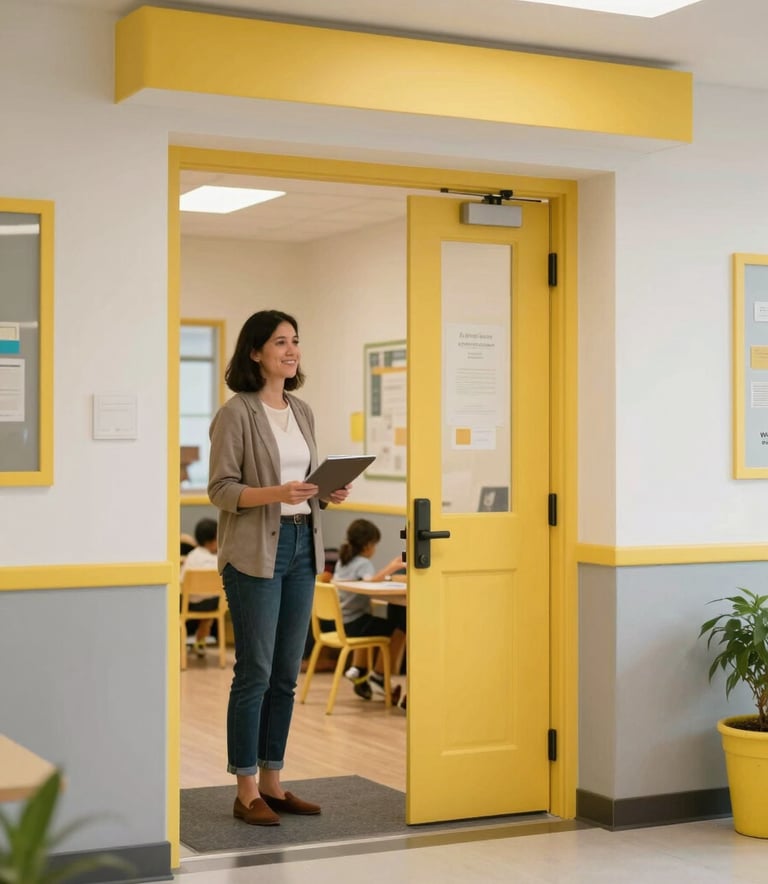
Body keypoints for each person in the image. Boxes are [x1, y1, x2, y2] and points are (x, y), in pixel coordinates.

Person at [208, 309, 350, 827]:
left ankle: (273, 780)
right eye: (280, 343)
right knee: (256, 672)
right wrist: (278, 493)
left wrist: (325, 492)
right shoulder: (237, 413)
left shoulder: (302, 410)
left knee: (287, 675)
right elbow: (220, 489)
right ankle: (245, 787)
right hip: (253, 553)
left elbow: (305, 486)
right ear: (255, 352)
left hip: (303, 545)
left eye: (295, 342)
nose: (291, 351)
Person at [333, 519, 406, 700]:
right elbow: (369, 582)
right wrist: (391, 568)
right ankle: (378, 676)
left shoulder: (342, 561)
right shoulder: (363, 563)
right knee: (401, 625)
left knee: (378, 619)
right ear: (368, 545)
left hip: (342, 622)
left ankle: (360, 669)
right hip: (355, 625)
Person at [180, 517, 220, 658]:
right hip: (212, 605)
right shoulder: (217, 560)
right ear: (213, 540)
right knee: (210, 609)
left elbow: (181, 581)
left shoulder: (191, 557)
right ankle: (200, 641)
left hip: (189, 604)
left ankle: (181, 645)